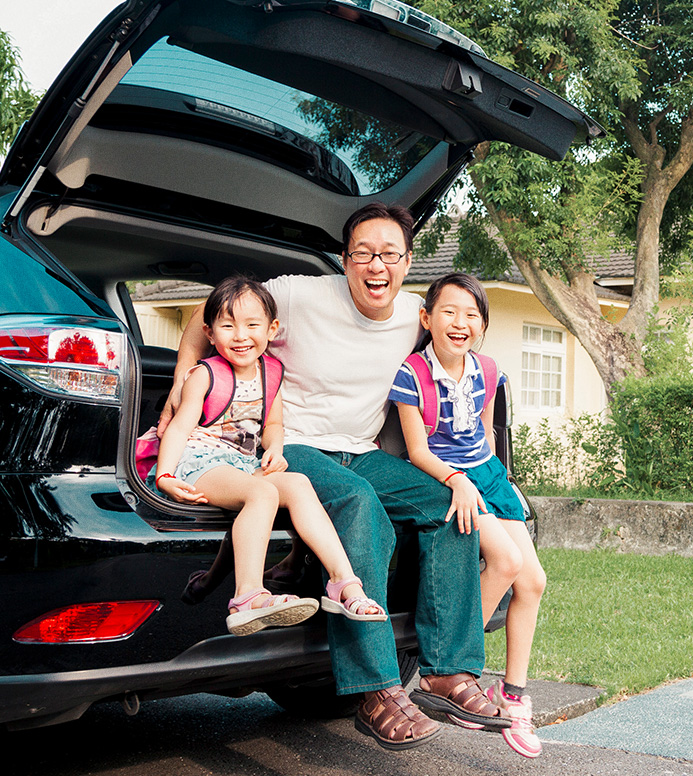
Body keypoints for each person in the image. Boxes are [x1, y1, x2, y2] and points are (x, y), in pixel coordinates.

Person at [160, 204, 508, 752]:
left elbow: (459, 362)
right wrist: (181, 391)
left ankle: (448, 673)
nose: (376, 265)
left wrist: (468, 463)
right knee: (358, 502)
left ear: (408, 261)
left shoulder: (418, 315)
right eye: (363, 253)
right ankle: (375, 691)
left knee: (447, 503)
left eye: (389, 254)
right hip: (289, 446)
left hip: (361, 449)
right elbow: (204, 323)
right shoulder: (298, 295)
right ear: (345, 261)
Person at [153, 276, 387, 635]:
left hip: (243, 462)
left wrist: (275, 450)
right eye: (227, 326)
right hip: (200, 461)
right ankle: (247, 596)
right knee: (263, 493)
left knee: (297, 483)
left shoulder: (271, 373)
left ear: (272, 329)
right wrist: (165, 474)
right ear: (210, 333)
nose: (240, 335)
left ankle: (344, 584)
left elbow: (273, 424)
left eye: (252, 325)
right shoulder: (203, 375)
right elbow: (180, 427)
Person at [390, 273, 547, 758]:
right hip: (445, 478)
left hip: (488, 476)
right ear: (427, 318)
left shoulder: (488, 369)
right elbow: (417, 451)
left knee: (534, 582)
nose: (461, 323)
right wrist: (458, 481)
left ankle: (512, 693)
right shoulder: (411, 374)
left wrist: (501, 477)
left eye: (472, 314)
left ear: (482, 324)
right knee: (504, 562)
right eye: (449, 312)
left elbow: (485, 430)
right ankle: (449, 668)